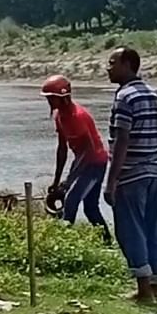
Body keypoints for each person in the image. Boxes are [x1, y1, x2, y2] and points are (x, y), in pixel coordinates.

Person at [103, 47, 157, 304]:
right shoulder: (152, 93)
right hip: (153, 170)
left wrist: (111, 180)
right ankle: (156, 286)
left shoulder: (124, 98)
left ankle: (143, 290)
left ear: (128, 65)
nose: (108, 68)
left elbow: (122, 141)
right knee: (152, 229)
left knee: (130, 230)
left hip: (131, 174)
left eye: (112, 62)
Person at [42, 75, 112, 242]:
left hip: (95, 162)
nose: (50, 102)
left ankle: (64, 243)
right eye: (48, 98)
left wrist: (69, 181)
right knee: (90, 208)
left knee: (71, 201)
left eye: (52, 98)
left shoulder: (78, 116)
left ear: (64, 97)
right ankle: (107, 242)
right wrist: (56, 180)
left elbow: (89, 151)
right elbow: (62, 149)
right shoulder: (60, 116)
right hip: (82, 160)